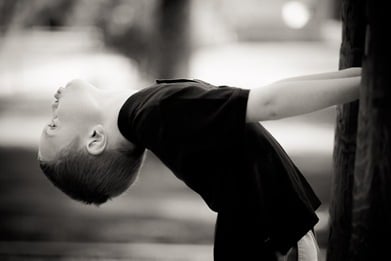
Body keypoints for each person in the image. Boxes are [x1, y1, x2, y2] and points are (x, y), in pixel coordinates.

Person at [38, 67, 361, 261]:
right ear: (95, 139)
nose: (52, 111)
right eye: (54, 125)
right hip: (271, 248)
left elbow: (267, 94)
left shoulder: (151, 109)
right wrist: (369, 80)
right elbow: (270, 102)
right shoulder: (157, 113)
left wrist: (360, 73)